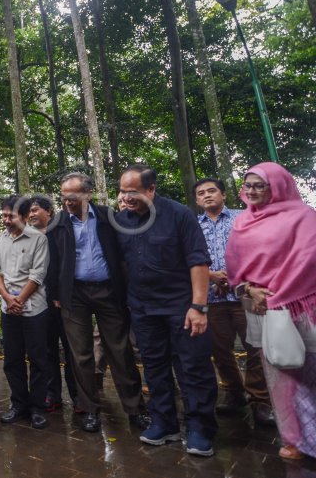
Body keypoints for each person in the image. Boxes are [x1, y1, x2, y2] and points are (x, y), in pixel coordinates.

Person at [115, 164, 218, 457]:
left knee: (193, 368)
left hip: (181, 307)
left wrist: (199, 306)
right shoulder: (122, 221)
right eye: (123, 191)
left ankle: (200, 428)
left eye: (133, 191)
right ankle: (164, 423)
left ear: (151, 189)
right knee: (154, 367)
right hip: (143, 309)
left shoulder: (178, 215)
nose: (127, 197)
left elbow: (198, 261)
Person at [226, 162, 316, 460]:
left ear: (277, 186)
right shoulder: (242, 222)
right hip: (262, 309)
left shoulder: (303, 217)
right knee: (281, 376)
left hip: (301, 307)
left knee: (310, 371)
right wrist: (249, 290)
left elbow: (307, 259)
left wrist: (277, 294)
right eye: (248, 185)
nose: (251, 191)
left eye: (259, 185)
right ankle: (296, 440)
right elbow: (235, 265)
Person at [46, 172, 149, 432]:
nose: (68, 201)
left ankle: (135, 409)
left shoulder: (108, 217)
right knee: (81, 355)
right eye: (64, 197)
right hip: (74, 295)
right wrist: (55, 294)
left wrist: (128, 291)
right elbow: (52, 262)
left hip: (108, 291)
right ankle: (90, 410)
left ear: (88, 194)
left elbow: (124, 254)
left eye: (73, 196)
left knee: (120, 350)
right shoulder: (57, 224)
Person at [194, 178, 274, 427]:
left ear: (224, 195)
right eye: (201, 193)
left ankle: (260, 400)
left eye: (211, 191)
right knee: (220, 350)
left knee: (255, 348)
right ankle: (234, 392)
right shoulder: (194, 226)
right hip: (213, 297)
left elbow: (261, 249)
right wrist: (211, 275)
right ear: (197, 200)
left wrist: (237, 277)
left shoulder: (244, 218)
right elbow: (188, 259)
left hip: (246, 295)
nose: (207, 196)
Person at [0, 195, 51, 429]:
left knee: (38, 359)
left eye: (11, 216)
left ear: (25, 217)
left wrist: (21, 299)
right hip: (9, 309)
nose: (6, 219)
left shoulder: (39, 239)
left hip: (34, 308)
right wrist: (7, 298)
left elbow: (38, 274)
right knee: (12, 359)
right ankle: (18, 405)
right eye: (4, 215)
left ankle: (37, 407)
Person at [30, 195, 79, 413]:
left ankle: (78, 395)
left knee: (72, 350)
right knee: (47, 350)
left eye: (35, 210)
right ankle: (52, 394)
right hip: (41, 303)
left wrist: (61, 295)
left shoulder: (61, 231)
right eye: (29, 211)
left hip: (66, 301)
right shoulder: (29, 237)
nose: (31, 214)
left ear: (49, 211)